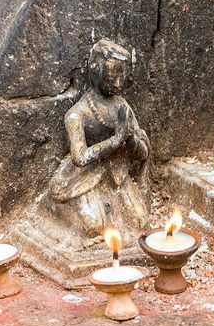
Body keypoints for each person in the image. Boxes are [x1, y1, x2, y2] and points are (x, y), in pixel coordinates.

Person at [47, 39, 150, 241]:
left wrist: (130, 140)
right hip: (87, 177)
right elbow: (80, 158)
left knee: (140, 221)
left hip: (118, 175)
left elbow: (143, 153)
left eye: (122, 76)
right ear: (95, 69)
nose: (118, 83)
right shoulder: (78, 114)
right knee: (94, 226)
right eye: (113, 76)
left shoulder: (122, 106)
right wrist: (115, 141)